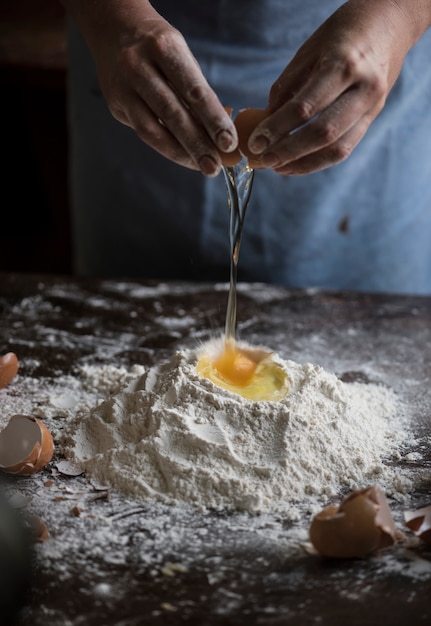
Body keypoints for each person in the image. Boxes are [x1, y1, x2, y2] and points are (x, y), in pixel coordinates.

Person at [62, 1, 431, 294]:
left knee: (361, 333)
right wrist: (109, 16)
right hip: (131, 55)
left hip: (366, 53)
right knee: (128, 323)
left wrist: (399, 13)